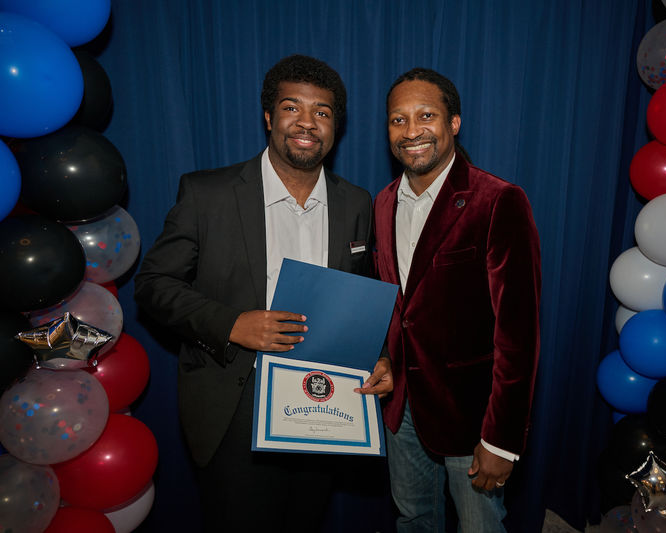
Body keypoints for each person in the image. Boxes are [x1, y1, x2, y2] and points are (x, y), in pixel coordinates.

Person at [134, 54, 390, 531]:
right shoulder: (207, 193)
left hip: (324, 401)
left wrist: (378, 354)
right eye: (292, 107)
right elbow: (153, 284)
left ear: (336, 126)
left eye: (323, 112)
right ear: (269, 116)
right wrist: (231, 324)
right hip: (235, 397)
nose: (307, 123)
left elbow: (363, 291)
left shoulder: (356, 202)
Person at [373, 68, 541, 532]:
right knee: (413, 520)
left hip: (472, 414)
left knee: (480, 527)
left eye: (426, 115)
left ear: (454, 123)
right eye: (397, 120)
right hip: (401, 409)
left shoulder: (497, 200)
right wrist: (386, 358)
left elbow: (519, 332)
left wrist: (501, 439)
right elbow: (397, 308)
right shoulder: (383, 203)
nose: (411, 132)